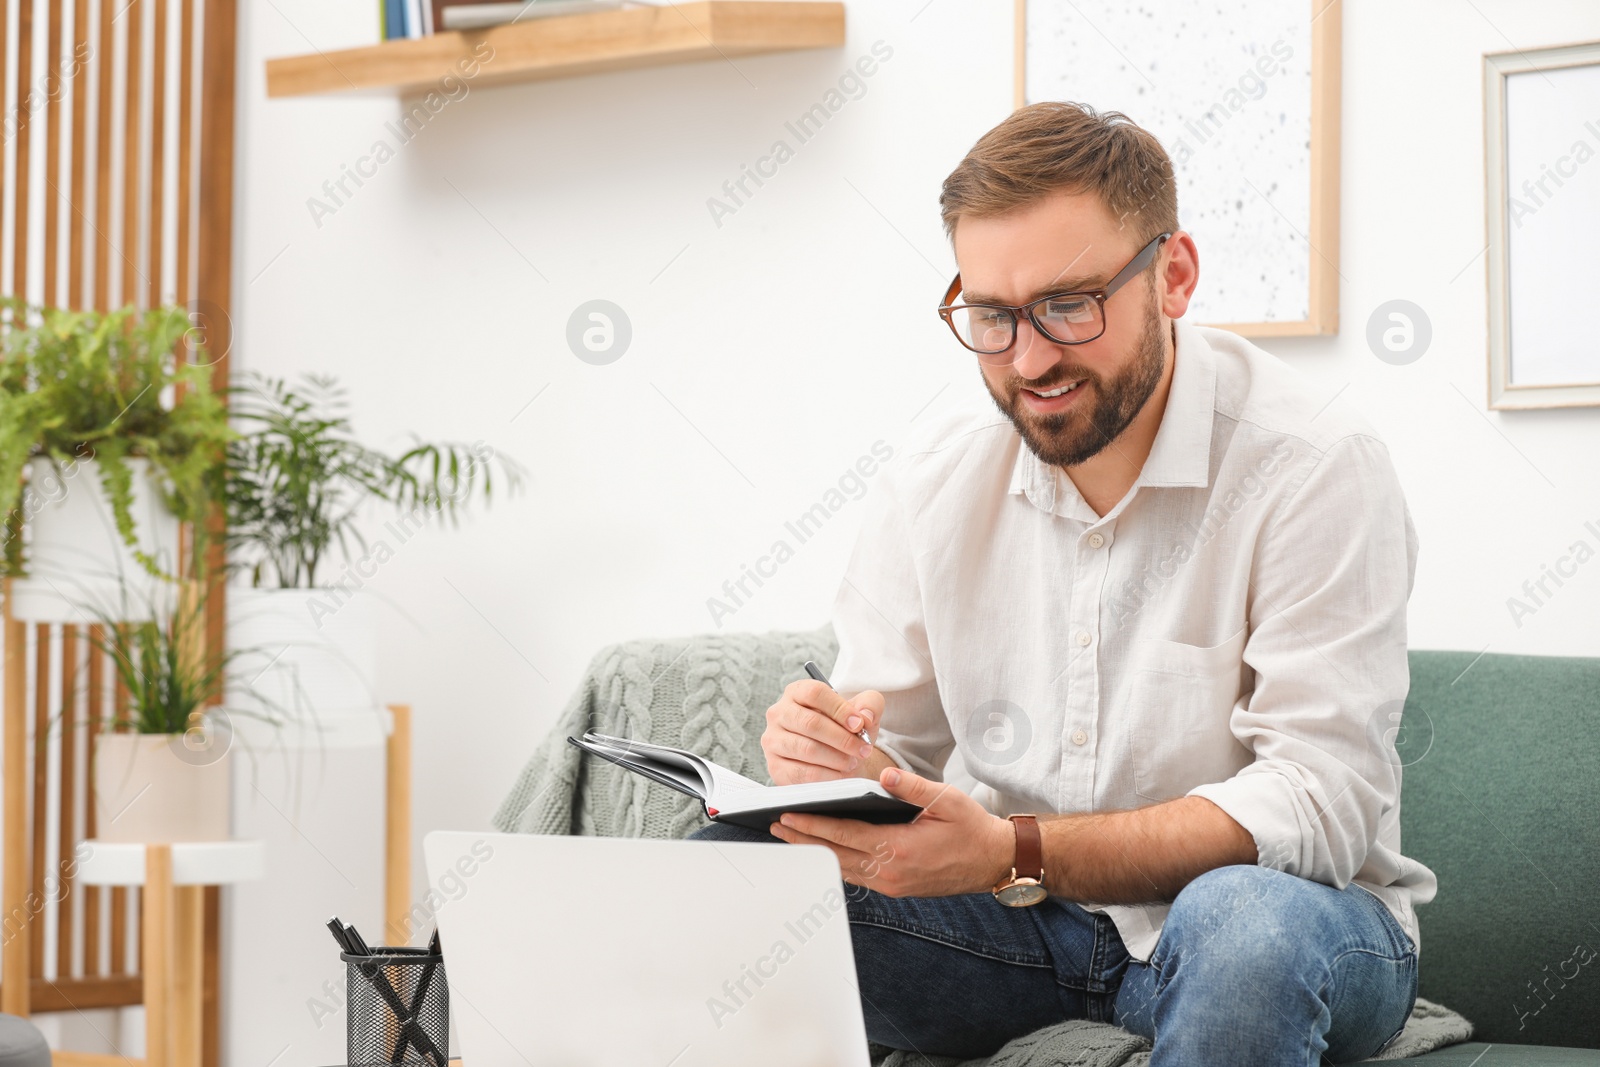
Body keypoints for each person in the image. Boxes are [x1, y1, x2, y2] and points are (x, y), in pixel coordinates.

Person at [690, 100, 1437, 1065]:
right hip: (1024, 930)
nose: (1030, 359)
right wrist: (831, 761)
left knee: (1242, 920)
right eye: (993, 317)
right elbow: (897, 757)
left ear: (1173, 276)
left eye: (1069, 305)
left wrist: (1013, 847)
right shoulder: (931, 484)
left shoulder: (1312, 466)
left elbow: (1321, 804)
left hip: (1300, 927)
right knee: (733, 878)